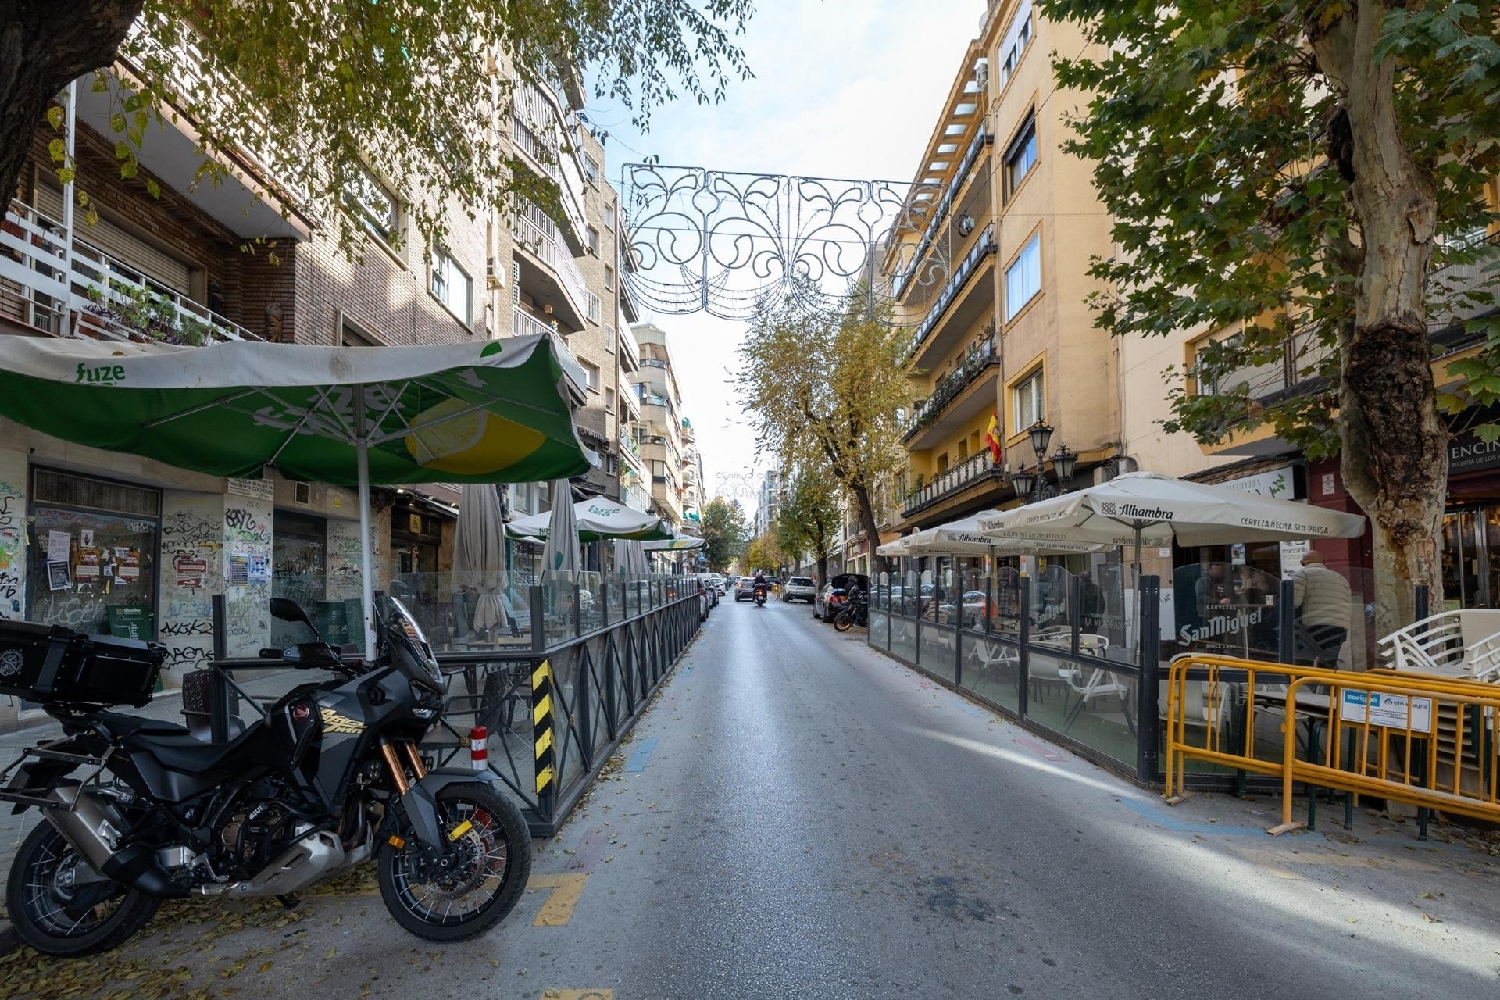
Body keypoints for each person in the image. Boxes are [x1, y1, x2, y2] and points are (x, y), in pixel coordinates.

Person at [1293, 551, 1353, 667]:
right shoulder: (1341, 578)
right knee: (1329, 663)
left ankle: (1306, 679)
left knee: (1305, 662)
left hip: (1312, 626)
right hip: (1338, 627)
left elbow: (1294, 602)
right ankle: (1327, 678)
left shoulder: (1302, 574)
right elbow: (1348, 603)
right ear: (1324, 562)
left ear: (1302, 563)